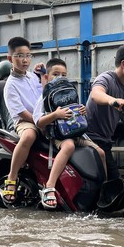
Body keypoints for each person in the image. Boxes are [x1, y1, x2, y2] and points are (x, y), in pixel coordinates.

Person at [33, 58, 106, 209]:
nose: (60, 77)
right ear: (46, 77)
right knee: (68, 147)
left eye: (63, 75)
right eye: (55, 74)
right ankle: (50, 186)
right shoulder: (44, 96)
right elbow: (38, 122)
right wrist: (55, 115)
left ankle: (103, 188)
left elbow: (77, 114)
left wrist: (82, 111)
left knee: (100, 152)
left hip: (76, 132)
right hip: (58, 136)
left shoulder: (70, 93)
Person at [85, 43, 124, 180]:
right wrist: (113, 101)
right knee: (112, 180)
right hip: (91, 137)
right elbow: (96, 94)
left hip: (106, 139)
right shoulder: (106, 78)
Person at [2, 36, 45, 203]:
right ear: (10, 59)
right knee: (29, 136)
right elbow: (21, 112)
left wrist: (42, 74)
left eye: (28, 55)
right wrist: (39, 122)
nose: (25, 60)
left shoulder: (33, 77)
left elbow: (43, 93)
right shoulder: (10, 85)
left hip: (42, 117)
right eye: (19, 56)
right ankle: (11, 179)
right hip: (25, 121)